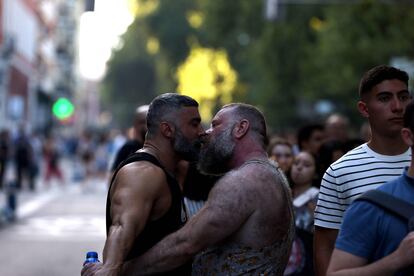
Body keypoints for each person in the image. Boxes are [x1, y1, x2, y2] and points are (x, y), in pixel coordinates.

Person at [114, 103, 295, 275]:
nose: (205, 133)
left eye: (215, 125)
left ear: (241, 128)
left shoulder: (246, 181)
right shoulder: (269, 174)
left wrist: (117, 270)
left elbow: (185, 244)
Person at [81, 93, 204, 275]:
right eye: (194, 124)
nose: (201, 131)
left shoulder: (165, 171)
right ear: (167, 130)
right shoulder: (142, 173)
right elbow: (122, 226)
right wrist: (110, 267)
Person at [313, 65, 412, 276]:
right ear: (364, 109)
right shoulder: (340, 172)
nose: (397, 106)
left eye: (403, 97)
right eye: (385, 98)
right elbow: (325, 245)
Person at [285, 151, 319, 275]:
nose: (299, 167)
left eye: (306, 165)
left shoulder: (319, 197)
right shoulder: (282, 193)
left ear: (315, 172)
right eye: (296, 163)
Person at [110, 105, 149, 172]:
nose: (146, 126)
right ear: (135, 124)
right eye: (142, 122)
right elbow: (113, 174)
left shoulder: (159, 148)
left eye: (148, 122)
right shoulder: (127, 148)